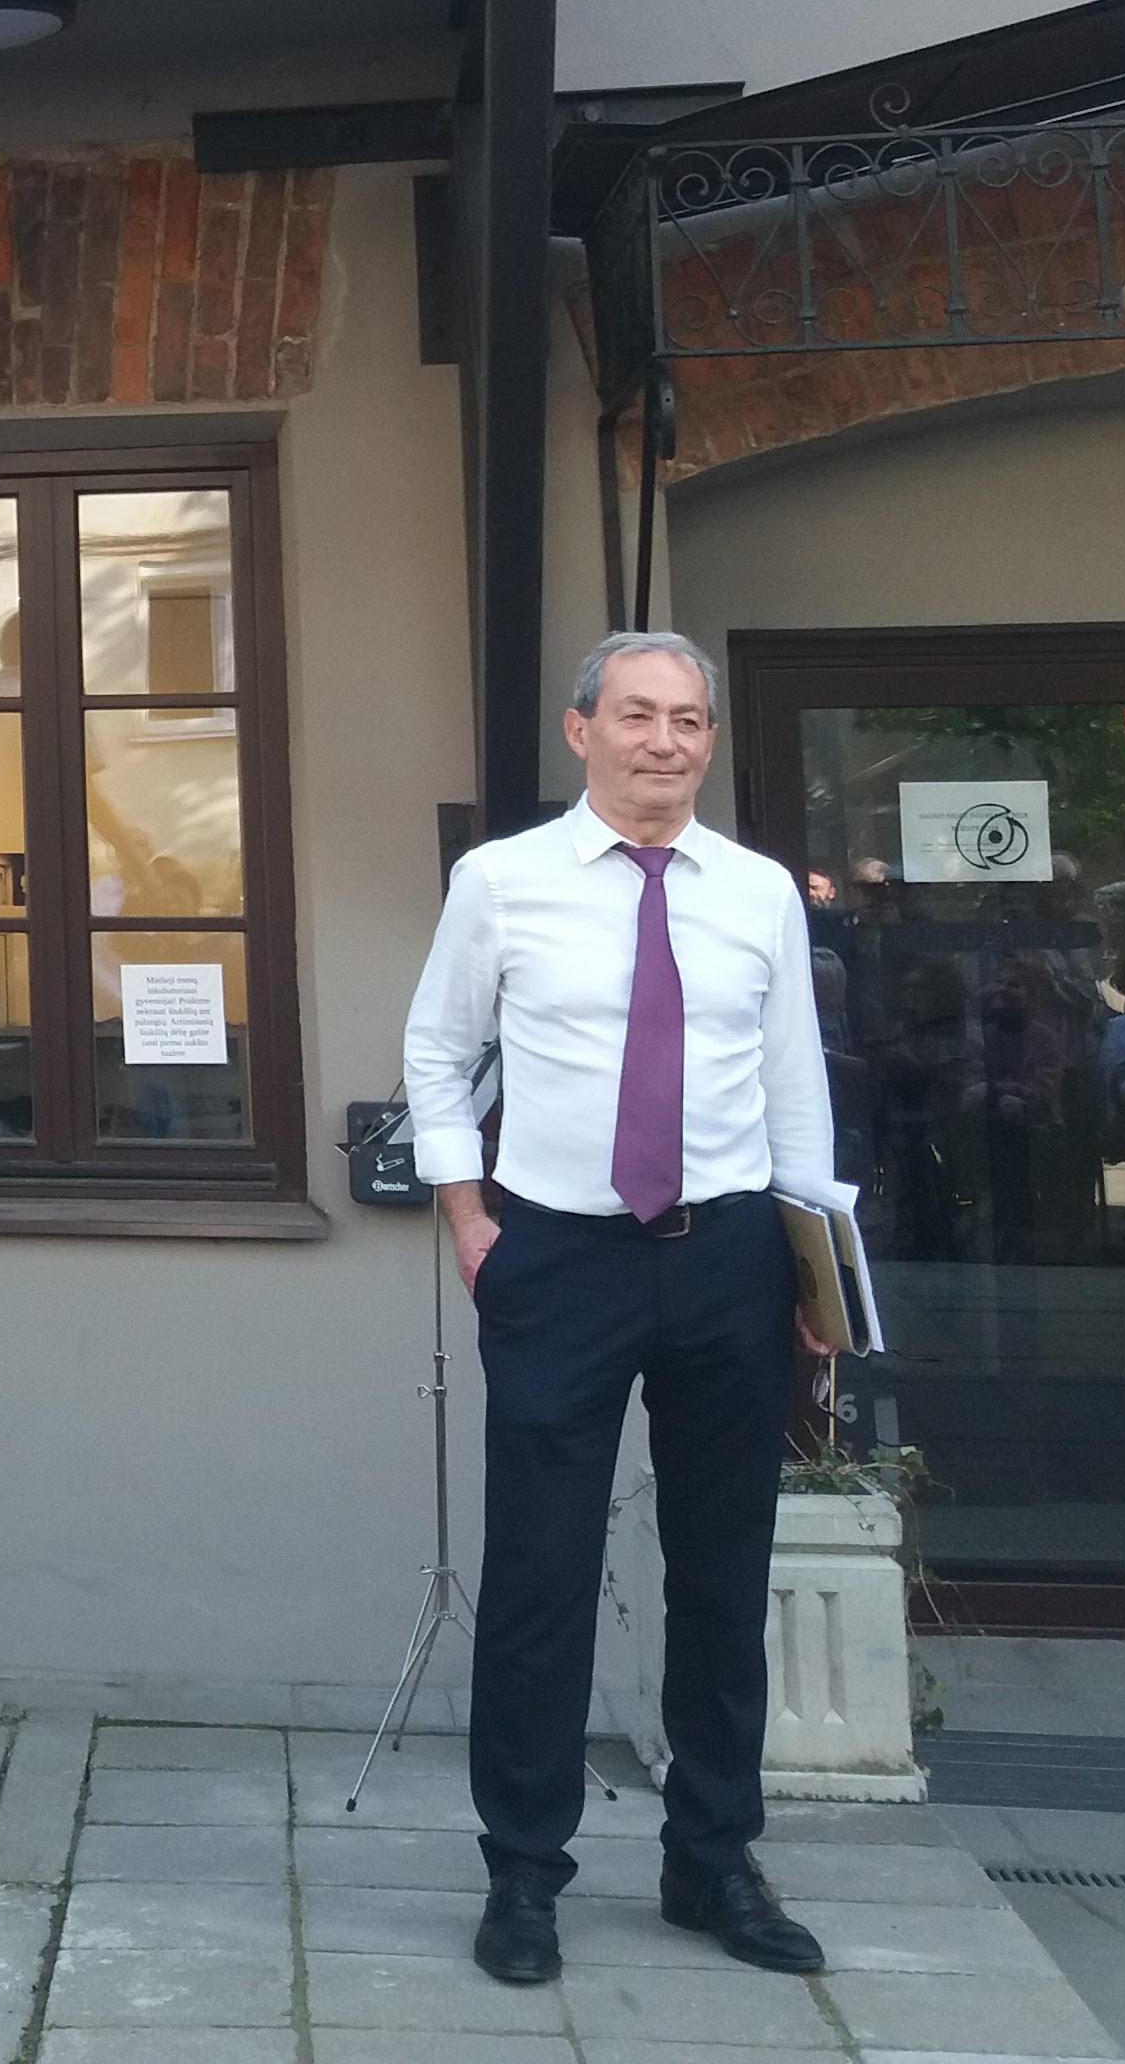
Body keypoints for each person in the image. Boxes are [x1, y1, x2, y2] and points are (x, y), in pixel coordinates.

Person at [398, 631, 840, 1992]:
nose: (666, 741)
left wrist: (812, 1270)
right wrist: (468, 1217)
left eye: (689, 719)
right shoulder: (502, 881)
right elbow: (436, 1050)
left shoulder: (758, 893)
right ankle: (525, 1872)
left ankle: (713, 1860)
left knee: (721, 1570)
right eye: (639, 715)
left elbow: (793, 1081)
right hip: (561, 1261)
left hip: (730, 1259)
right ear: (582, 730)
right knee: (539, 1572)